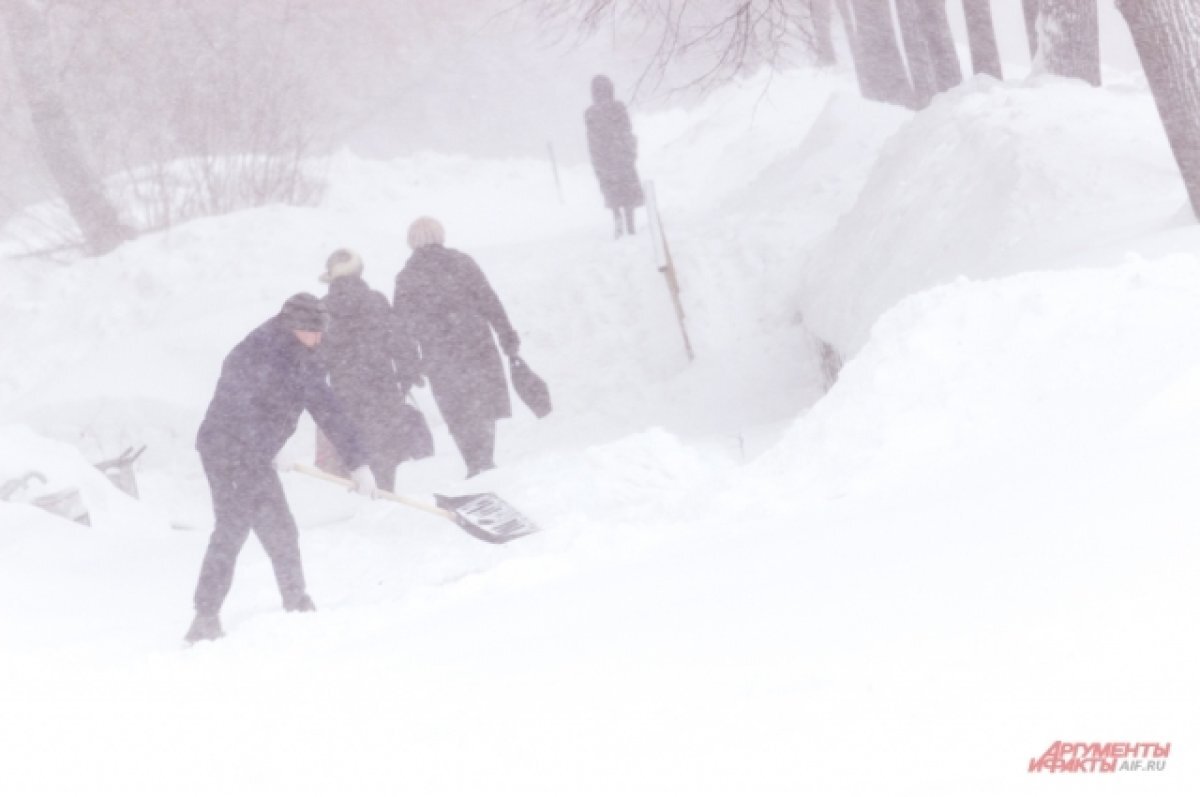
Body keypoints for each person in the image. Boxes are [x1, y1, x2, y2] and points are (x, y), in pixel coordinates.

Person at [185, 293, 377, 644]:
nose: (319, 339)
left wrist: (358, 462)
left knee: (280, 529)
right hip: (226, 451)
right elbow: (236, 408)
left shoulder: (305, 357)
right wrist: (265, 447)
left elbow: (328, 408)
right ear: (294, 326)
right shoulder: (256, 352)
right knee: (232, 529)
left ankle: (296, 601)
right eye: (312, 332)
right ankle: (205, 618)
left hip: (255, 454)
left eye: (321, 332)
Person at [393, 217, 520, 478]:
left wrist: (409, 364)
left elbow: (401, 327)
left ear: (412, 243)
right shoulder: (462, 263)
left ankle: (473, 462)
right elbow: (489, 300)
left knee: (456, 408)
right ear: (441, 236)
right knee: (483, 402)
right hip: (477, 344)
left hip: (439, 353)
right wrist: (506, 335)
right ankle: (485, 457)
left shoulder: (407, 276)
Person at [317, 248, 426, 493]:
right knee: (384, 446)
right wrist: (409, 371)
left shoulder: (322, 309)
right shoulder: (375, 300)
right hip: (382, 386)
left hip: (344, 390)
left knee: (356, 446)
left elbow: (316, 354)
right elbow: (399, 339)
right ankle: (385, 491)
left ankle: (366, 491)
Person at [585, 74, 644, 239]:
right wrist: (630, 150)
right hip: (621, 156)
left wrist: (597, 160)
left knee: (613, 194)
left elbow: (592, 140)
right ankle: (630, 225)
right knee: (627, 193)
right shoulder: (618, 108)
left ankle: (618, 221)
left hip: (606, 160)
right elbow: (626, 130)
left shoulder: (591, 113)